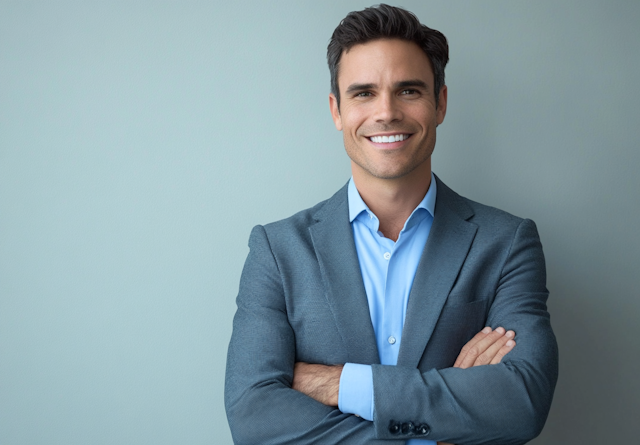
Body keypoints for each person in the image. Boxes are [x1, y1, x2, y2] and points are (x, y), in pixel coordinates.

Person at [225, 4, 558, 444]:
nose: (386, 113)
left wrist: (339, 384)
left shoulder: (507, 243)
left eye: (408, 91)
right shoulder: (277, 250)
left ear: (439, 103)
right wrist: (434, 429)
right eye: (363, 93)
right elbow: (253, 417)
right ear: (336, 110)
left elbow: (520, 405)